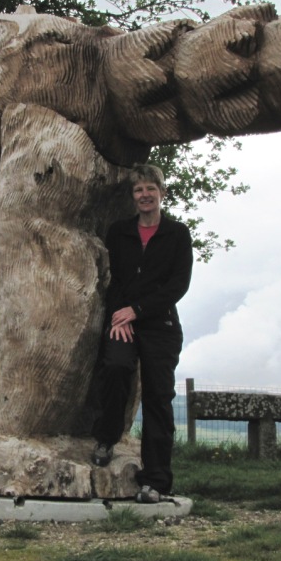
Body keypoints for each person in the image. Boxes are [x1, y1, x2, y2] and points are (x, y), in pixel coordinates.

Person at [91, 164, 193, 504]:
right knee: (116, 367)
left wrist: (137, 310)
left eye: (151, 188)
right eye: (139, 190)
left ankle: (156, 481)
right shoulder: (119, 232)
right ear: (133, 197)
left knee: (157, 397)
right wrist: (120, 315)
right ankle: (107, 438)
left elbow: (178, 285)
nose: (145, 195)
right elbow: (112, 279)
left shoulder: (177, 234)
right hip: (123, 322)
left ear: (162, 193)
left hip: (160, 325)